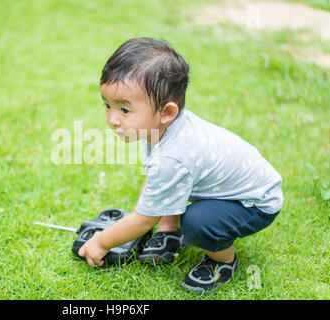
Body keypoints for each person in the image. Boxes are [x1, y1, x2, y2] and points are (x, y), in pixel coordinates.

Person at [78, 37, 283, 294]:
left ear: (166, 112)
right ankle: (169, 231)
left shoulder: (173, 155)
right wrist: (162, 224)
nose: (112, 119)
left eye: (125, 110)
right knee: (170, 188)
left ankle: (222, 261)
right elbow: (158, 184)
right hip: (237, 188)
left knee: (197, 222)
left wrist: (101, 242)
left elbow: (143, 220)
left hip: (254, 203)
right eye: (108, 106)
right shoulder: (161, 128)